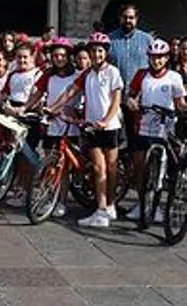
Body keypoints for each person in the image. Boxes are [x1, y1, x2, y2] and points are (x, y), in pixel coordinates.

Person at [124, 39, 187, 223]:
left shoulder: (174, 77)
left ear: (166, 58)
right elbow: (131, 95)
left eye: (160, 58)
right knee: (140, 168)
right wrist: (131, 102)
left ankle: (158, 205)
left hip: (164, 127)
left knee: (161, 167)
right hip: (143, 125)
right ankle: (141, 203)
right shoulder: (141, 74)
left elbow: (180, 102)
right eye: (153, 57)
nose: (156, 61)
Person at [73, 32, 123, 228]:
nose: (96, 54)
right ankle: (101, 210)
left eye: (100, 51)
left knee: (111, 168)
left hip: (110, 127)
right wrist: (56, 107)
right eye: (93, 51)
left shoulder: (113, 72)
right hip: (92, 126)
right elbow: (71, 92)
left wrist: (107, 120)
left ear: (106, 53)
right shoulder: (87, 74)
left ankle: (110, 205)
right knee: (98, 168)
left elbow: (116, 99)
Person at [27, 38, 80, 217]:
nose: (59, 59)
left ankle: (62, 201)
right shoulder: (48, 75)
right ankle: (49, 197)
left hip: (69, 125)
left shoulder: (77, 75)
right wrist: (25, 108)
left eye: (62, 55)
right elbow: (37, 94)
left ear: (69, 57)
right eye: (56, 55)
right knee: (50, 164)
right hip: (52, 124)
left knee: (64, 167)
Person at [108, 4, 152, 87]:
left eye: (131, 17)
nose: (128, 20)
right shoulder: (110, 40)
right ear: (120, 18)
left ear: (136, 19)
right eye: (125, 17)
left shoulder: (147, 40)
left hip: (140, 93)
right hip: (116, 91)